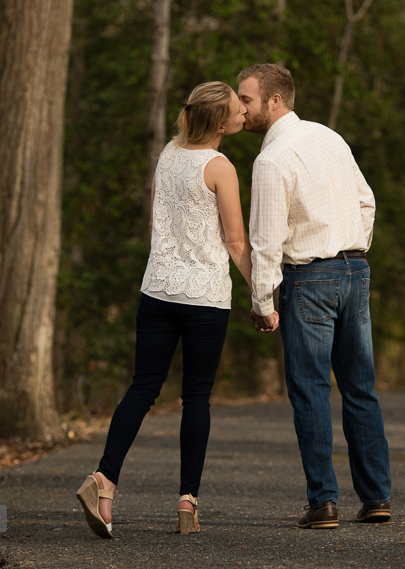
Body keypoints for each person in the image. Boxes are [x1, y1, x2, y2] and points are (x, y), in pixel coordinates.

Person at [75, 81, 267, 537]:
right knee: (196, 397)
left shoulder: (169, 153)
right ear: (221, 123)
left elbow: (154, 222)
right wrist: (264, 296)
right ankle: (187, 504)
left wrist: (166, 261)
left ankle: (104, 482)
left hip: (157, 290)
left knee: (143, 388)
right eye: (237, 107)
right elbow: (237, 242)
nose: (244, 110)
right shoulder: (221, 167)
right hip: (204, 299)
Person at [238, 63, 391, 529]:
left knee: (310, 390)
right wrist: (351, 245)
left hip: (309, 279)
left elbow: (265, 241)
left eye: (246, 100)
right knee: (359, 387)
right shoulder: (329, 136)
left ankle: (324, 503)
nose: (239, 108)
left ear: (274, 101)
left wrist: (262, 302)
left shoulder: (270, 160)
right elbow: (367, 201)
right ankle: (376, 498)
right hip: (355, 269)